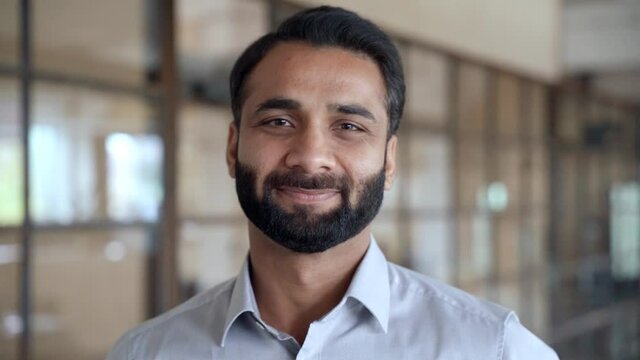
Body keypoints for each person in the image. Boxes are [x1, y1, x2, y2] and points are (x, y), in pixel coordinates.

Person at [107, 6, 558, 359]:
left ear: (389, 158)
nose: (311, 155)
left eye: (349, 126)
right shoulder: (145, 353)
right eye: (279, 120)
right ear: (232, 147)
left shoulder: (495, 349)